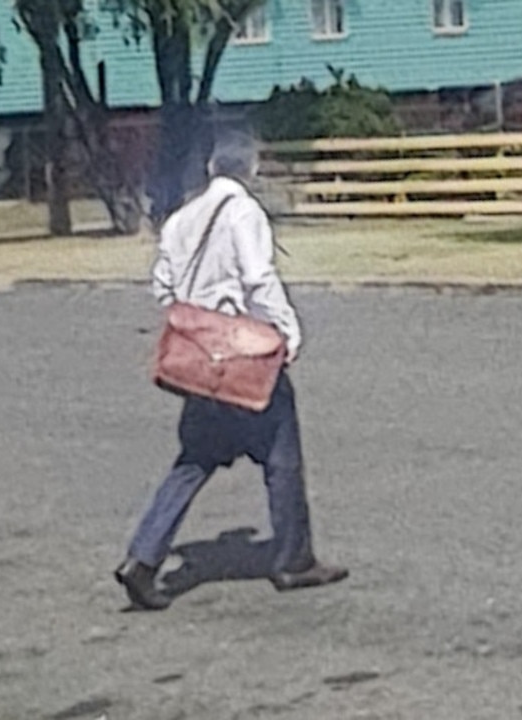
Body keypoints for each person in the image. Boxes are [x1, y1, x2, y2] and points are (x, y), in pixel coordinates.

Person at [115, 131, 348, 611]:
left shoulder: (182, 219)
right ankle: (293, 558)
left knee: (193, 461)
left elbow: (164, 285)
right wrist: (287, 330)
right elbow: (258, 278)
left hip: (201, 363)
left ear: (211, 168)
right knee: (282, 459)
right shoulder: (245, 213)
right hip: (245, 356)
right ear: (253, 168)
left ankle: (143, 556)